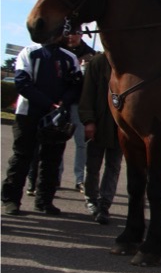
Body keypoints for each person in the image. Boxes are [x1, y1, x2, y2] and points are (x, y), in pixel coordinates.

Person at [1, 40, 83, 216]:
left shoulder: (69, 57)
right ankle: (11, 200)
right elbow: (22, 82)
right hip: (28, 113)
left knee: (52, 160)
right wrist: (48, 104)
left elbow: (76, 85)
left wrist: (63, 103)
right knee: (22, 156)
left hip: (58, 115)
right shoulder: (29, 52)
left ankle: (44, 201)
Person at [78, 52, 123, 225]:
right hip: (98, 123)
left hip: (119, 127)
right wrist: (88, 121)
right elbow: (87, 94)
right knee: (93, 166)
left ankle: (104, 206)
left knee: (114, 167)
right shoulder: (98, 62)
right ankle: (91, 200)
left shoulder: (131, 60)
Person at [62, 32, 96, 192]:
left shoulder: (90, 55)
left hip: (78, 104)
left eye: (74, 33)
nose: (70, 37)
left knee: (81, 144)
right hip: (61, 103)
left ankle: (79, 179)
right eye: (68, 33)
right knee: (57, 141)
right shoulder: (59, 50)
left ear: (81, 33)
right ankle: (55, 176)